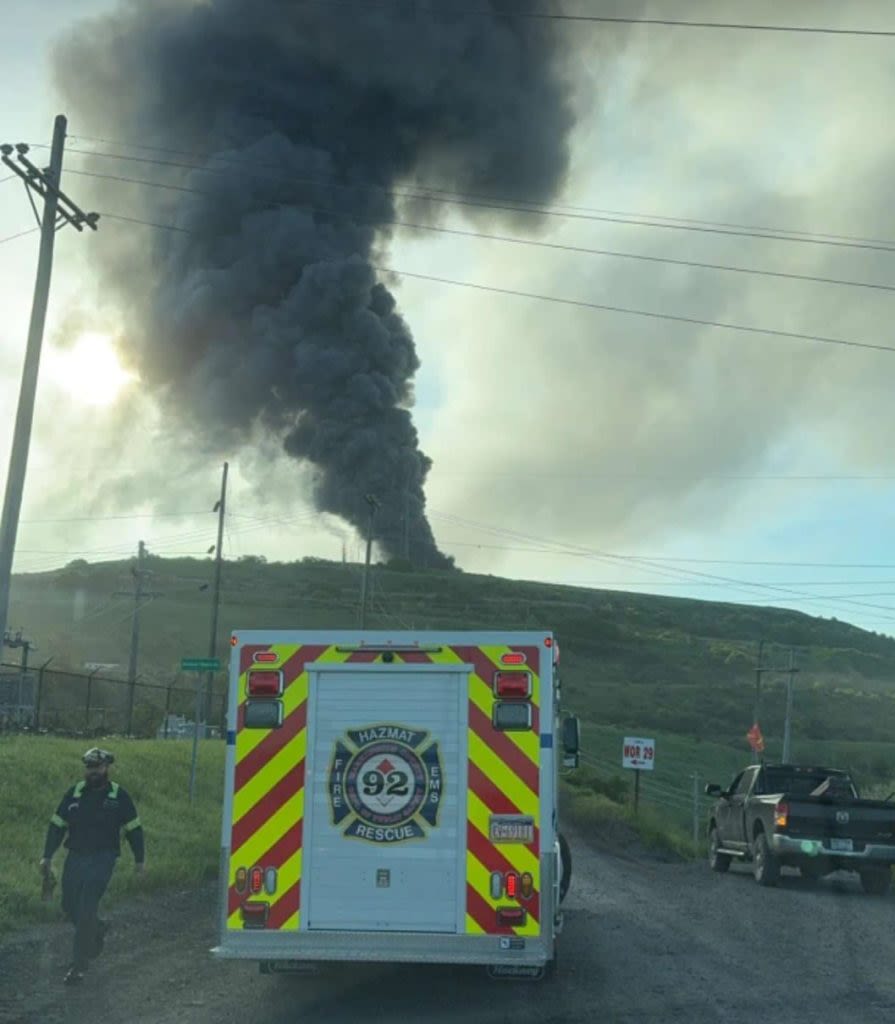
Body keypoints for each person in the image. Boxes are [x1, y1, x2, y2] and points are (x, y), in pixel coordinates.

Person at [40, 747, 146, 985]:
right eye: (89, 767)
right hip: (75, 857)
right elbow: (57, 825)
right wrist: (47, 856)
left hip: (103, 859)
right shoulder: (74, 794)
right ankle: (96, 930)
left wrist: (140, 861)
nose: (93, 772)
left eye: (97, 767)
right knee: (69, 904)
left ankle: (79, 966)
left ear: (107, 768)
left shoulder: (119, 796)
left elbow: (134, 830)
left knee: (87, 904)